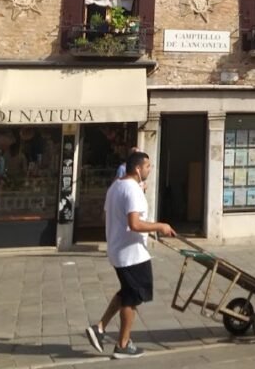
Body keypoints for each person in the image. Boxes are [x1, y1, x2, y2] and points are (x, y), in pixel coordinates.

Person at [86, 151, 175, 359]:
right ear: (137, 168)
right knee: (133, 299)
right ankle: (123, 345)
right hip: (132, 254)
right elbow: (134, 224)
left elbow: (110, 216)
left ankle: (99, 328)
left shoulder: (115, 186)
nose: (150, 170)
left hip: (119, 251)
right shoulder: (132, 189)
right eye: (148, 166)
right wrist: (160, 226)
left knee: (127, 291)